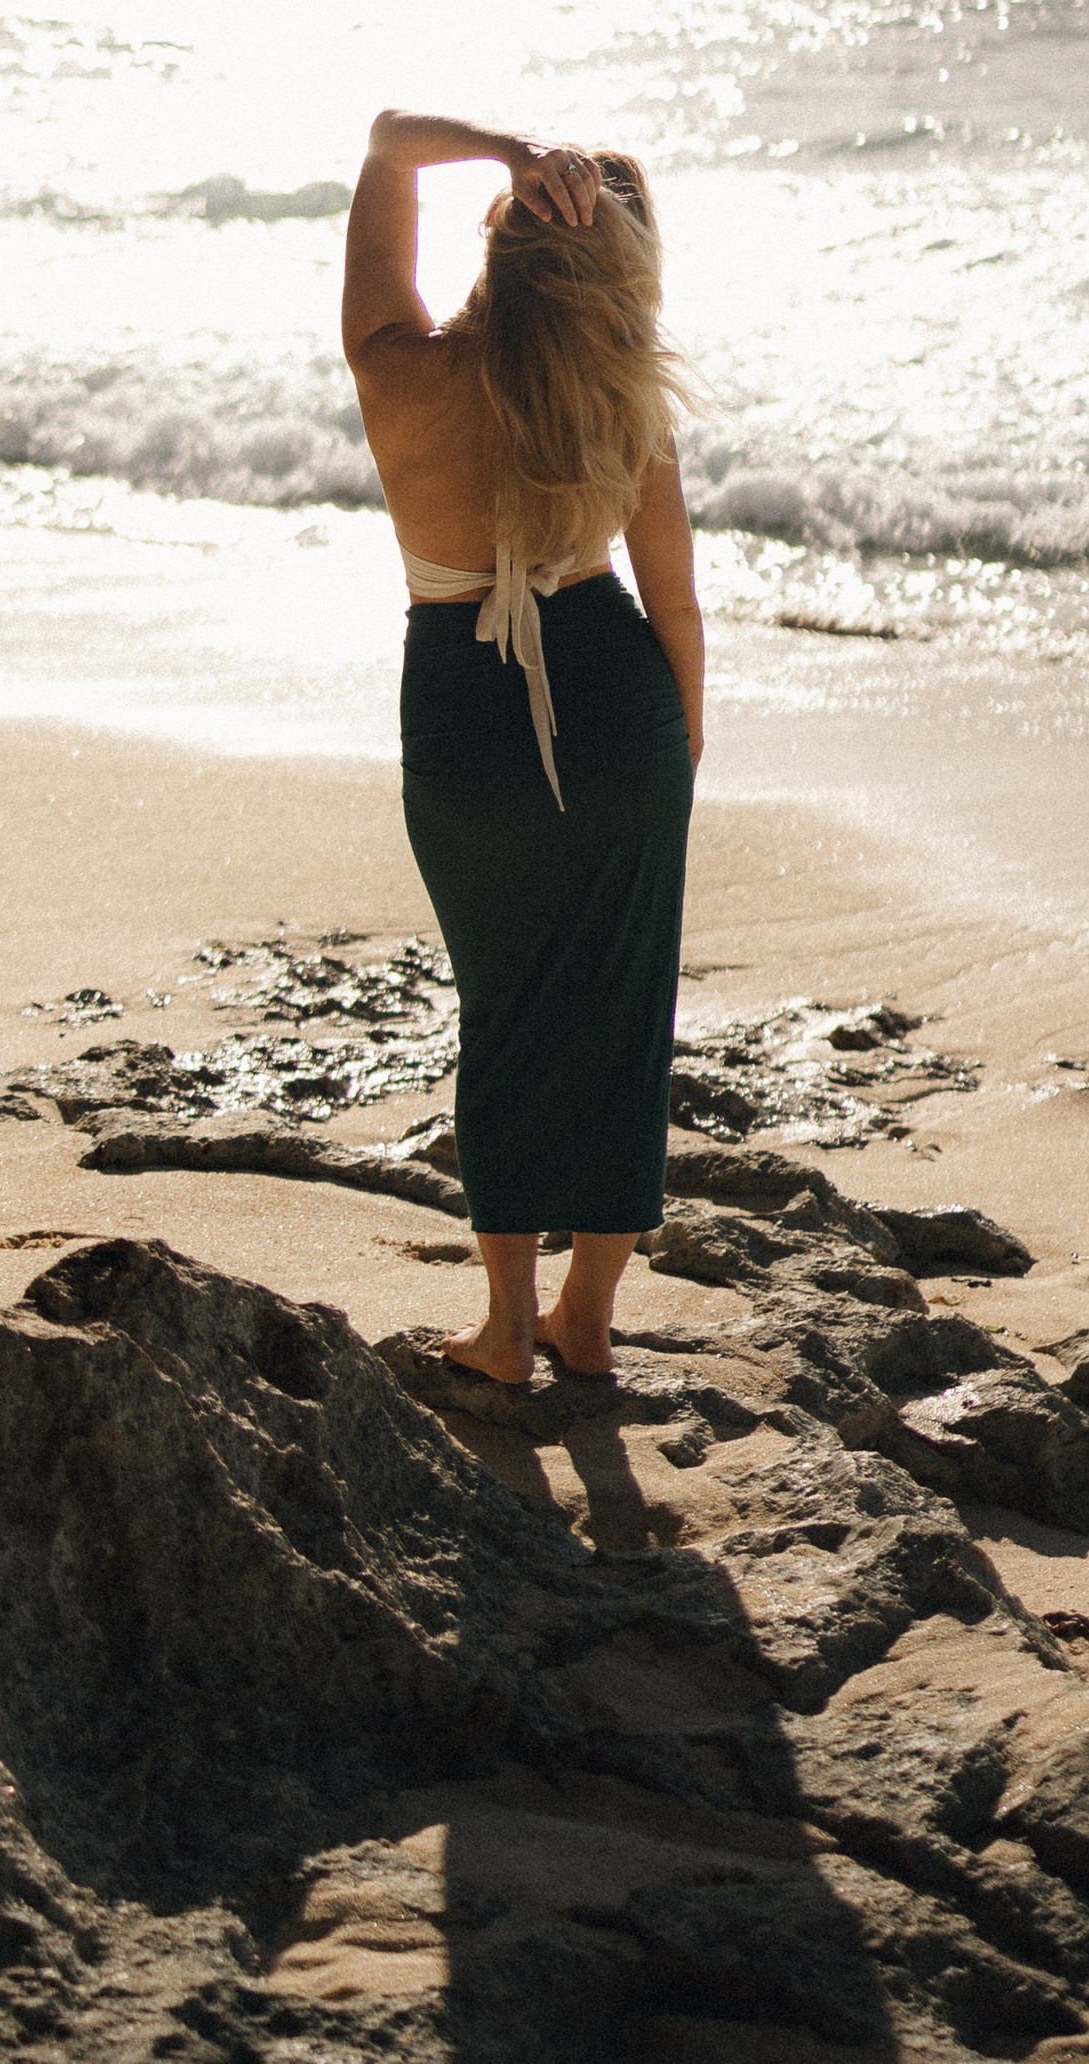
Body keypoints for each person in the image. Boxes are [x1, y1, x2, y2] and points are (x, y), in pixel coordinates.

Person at [342, 108, 703, 1387]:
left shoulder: (398, 366)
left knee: (501, 1009)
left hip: (462, 699)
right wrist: (677, 754)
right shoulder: (621, 398)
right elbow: (673, 604)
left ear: (500, 244)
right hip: (619, 703)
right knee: (623, 1015)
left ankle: (506, 1326)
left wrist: (508, 151)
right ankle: (586, 1315)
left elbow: (387, 144)